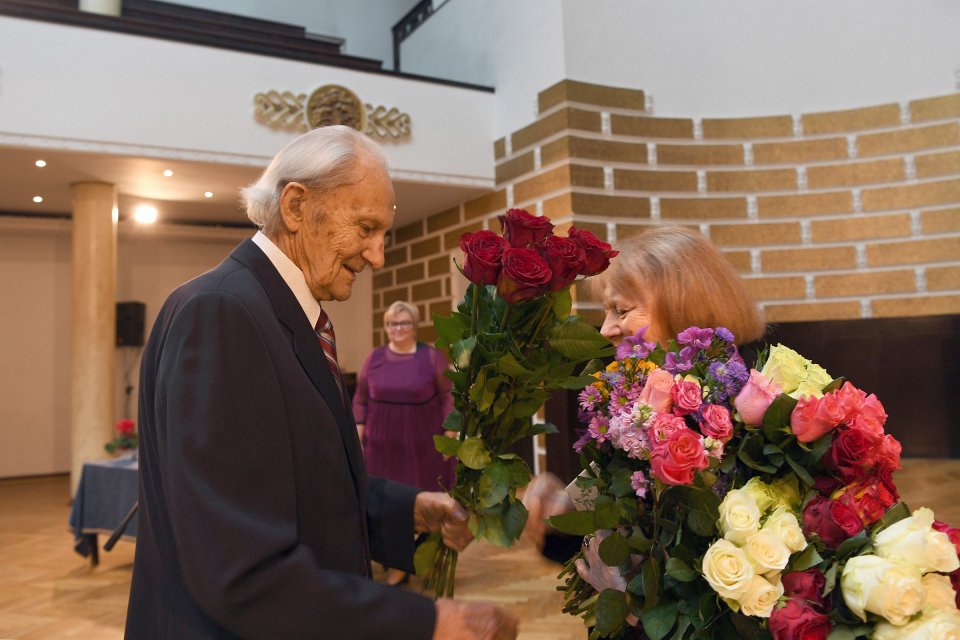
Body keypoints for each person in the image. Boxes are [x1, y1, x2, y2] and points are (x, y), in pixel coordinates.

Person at [125, 125, 517, 640]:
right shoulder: (224, 312)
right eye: (366, 228)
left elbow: (293, 483)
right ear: (295, 207)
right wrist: (425, 621)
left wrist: (406, 512)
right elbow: (237, 565)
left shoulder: (269, 309)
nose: (377, 256)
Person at [523, 225, 766, 558]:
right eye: (606, 313)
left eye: (621, 310)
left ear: (684, 306)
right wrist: (560, 508)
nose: (607, 330)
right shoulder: (637, 399)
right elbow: (607, 530)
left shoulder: (752, 404)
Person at [353, 300, 456, 586]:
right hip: (381, 447)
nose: (398, 329)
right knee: (386, 504)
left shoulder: (431, 357)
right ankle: (393, 561)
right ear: (386, 327)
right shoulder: (374, 358)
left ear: (414, 326)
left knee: (418, 499)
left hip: (421, 446)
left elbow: (448, 394)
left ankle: (416, 558)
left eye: (404, 323)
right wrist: (358, 430)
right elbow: (361, 397)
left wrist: (450, 431)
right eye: (392, 323)